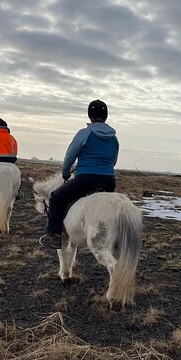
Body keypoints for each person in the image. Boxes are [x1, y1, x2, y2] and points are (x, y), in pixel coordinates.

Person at [39, 100, 119, 249]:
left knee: (56, 198)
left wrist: (65, 173)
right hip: (108, 180)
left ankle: (55, 235)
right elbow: (114, 160)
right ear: (106, 116)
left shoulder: (85, 133)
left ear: (90, 116)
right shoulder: (113, 138)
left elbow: (70, 156)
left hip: (85, 179)